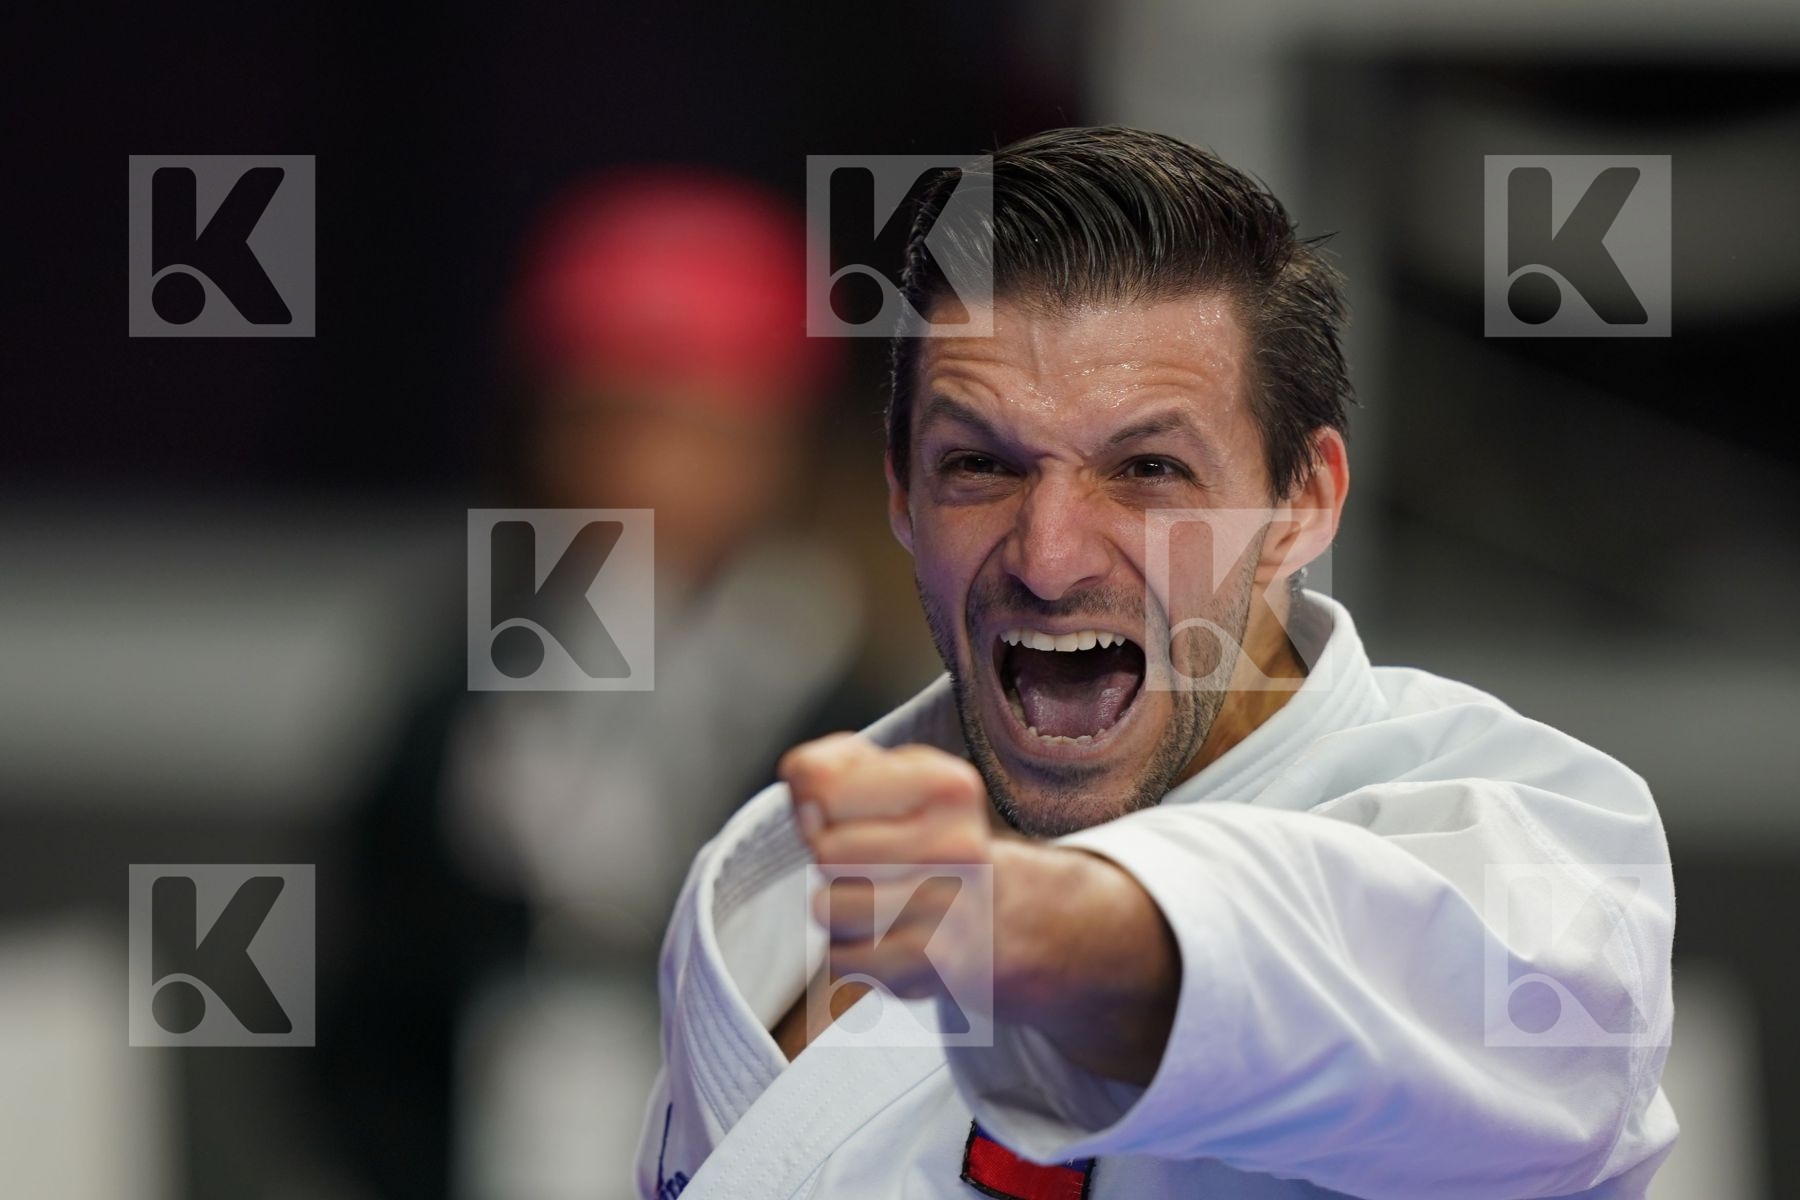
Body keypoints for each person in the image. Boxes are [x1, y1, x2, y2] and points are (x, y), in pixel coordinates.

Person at [634, 127, 1677, 1198]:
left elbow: (1389, 984)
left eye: (1147, 468)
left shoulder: (1531, 842)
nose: (1048, 558)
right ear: (901, 492)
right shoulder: (786, 874)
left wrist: (1036, 926)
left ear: (1300, 502)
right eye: (979, 464)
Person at [318, 168, 881, 1200]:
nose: (651, 470)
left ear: (785, 445)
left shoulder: (846, 689)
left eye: (706, 428)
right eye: (611, 419)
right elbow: (376, 976)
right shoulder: (475, 668)